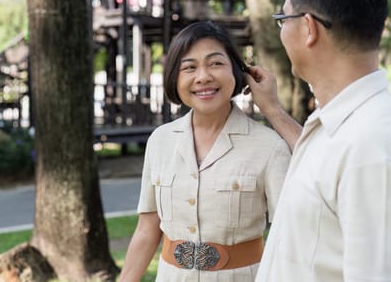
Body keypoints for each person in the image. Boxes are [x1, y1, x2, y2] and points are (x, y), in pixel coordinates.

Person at [246, 0, 391, 282]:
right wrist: (272, 109)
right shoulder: (344, 124)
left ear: (308, 28)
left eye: (282, 19)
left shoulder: (374, 148)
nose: (281, 31)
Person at [118, 21, 291, 281]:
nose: (203, 77)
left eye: (215, 64)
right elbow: (147, 230)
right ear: (175, 78)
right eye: (189, 67)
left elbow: (288, 237)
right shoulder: (160, 141)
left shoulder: (270, 147)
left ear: (237, 71)